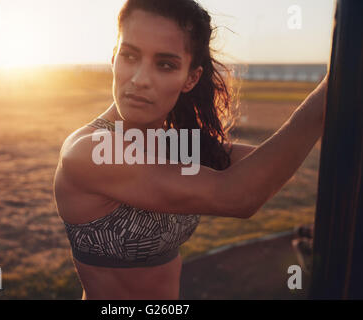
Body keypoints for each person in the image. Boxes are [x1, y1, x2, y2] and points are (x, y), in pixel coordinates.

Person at [53, 0, 327, 300]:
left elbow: (266, 171)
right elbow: (238, 196)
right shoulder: (89, 152)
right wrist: (327, 96)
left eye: (165, 64)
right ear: (113, 57)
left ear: (191, 78)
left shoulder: (172, 144)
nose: (140, 79)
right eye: (129, 56)